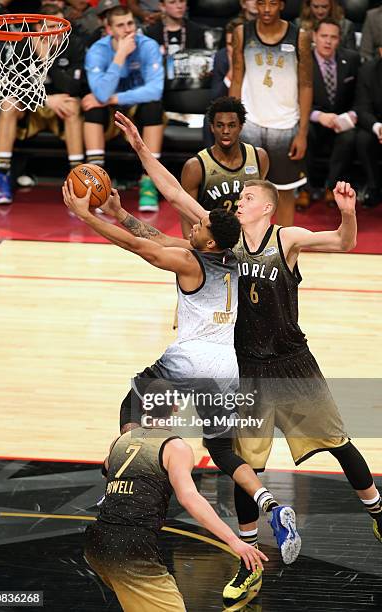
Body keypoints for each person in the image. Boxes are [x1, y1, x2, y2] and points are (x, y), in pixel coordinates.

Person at [112, 110, 382, 609]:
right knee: (244, 467)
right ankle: (249, 560)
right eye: (238, 198)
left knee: (339, 444)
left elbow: (346, 242)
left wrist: (347, 211)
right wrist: (140, 148)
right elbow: (173, 193)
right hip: (245, 368)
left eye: (248, 198)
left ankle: (378, 511)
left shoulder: (289, 240)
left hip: (292, 361)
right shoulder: (224, 244)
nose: (239, 201)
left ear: (268, 210)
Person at [63, 175, 302, 606]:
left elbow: (143, 247)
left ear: (209, 242)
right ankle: (271, 504)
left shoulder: (194, 263)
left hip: (190, 360)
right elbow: (154, 235)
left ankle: (125, 474)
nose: (193, 227)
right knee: (225, 451)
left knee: (133, 398)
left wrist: (85, 216)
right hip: (225, 366)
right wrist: (118, 212)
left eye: (200, 227)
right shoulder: (229, 257)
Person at [84, 383, 268, 612]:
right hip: (132, 549)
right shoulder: (175, 447)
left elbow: (107, 469)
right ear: (175, 407)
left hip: (96, 543)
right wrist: (234, 542)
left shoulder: (118, 442)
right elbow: (190, 497)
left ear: (143, 406)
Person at [230, 0, 313, 227]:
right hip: (250, 124)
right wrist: (232, 122)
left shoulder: (300, 37)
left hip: (285, 126)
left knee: (285, 193)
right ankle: (246, 250)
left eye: (272, 3)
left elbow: (306, 85)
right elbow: (237, 78)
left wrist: (302, 133)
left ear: (282, 5)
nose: (266, 9)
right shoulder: (242, 32)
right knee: (247, 194)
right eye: (262, 3)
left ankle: (283, 250)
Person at [0, 3, 86, 205]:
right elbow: (12, 86)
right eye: (52, 27)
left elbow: (72, 87)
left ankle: (77, 179)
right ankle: (2, 175)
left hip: (62, 107)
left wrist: (47, 59)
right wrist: (45, 99)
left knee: (72, 106)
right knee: (8, 104)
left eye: (61, 26)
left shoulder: (74, 45)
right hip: (33, 107)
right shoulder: (24, 45)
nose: (58, 32)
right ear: (38, 28)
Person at [82, 3, 164, 212]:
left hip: (136, 109)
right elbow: (100, 94)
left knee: (153, 106)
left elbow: (155, 90)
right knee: (93, 108)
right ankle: (97, 183)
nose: (128, 29)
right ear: (109, 30)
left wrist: (114, 98)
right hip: (111, 114)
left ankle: (149, 183)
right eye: (121, 25)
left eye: (130, 23)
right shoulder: (98, 51)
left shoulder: (148, 46)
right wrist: (119, 57)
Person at [183, 96, 269, 240]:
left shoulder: (259, 158)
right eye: (220, 125)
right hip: (211, 243)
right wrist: (193, 250)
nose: (226, 131)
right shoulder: (195, 167)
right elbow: (186, 215)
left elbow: (260, 206)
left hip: (247, 240)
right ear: (211, 127)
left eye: (232, 125)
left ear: (241, 127)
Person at [296, 18, 360, 209]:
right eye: (324, 36)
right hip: (312, 119)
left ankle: (332, 188)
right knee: (303, 133)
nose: (328, 41)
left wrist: (351, 115)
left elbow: (360, 94)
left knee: (350, 137)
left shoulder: (352, 59)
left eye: (333, 37)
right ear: (314, 36)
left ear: (339, 39)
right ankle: (305, 189)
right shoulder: (303, 61)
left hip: (341, 121)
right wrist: (318, 116)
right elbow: (293, 100)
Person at [355, 49, 382, 209]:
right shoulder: (368, 70)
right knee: (362, 139)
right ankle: (374, 187)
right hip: (376, 123)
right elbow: (362, 107)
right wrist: (377, 127)